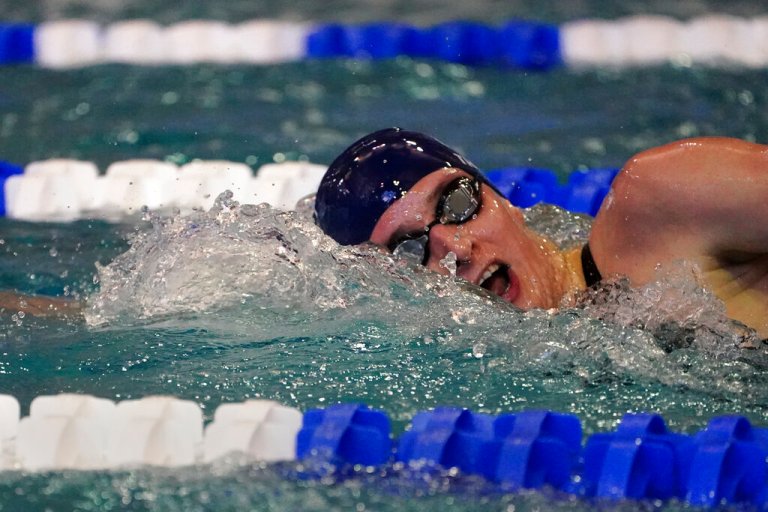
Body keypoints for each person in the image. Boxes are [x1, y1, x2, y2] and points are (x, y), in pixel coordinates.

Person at [314, 128, 768, 338]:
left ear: (504, 199)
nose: (455, 246)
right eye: (410, 250)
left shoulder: (659, 205)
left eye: (457, 203)